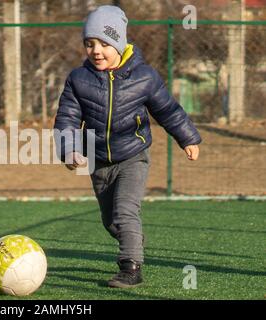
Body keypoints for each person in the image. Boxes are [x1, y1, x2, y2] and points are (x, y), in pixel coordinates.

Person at [54, 5, 201, 288]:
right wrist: (70, 150)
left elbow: (168, 110)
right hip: (98, 161)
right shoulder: (78, 79)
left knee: (125, 210)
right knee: (112, 221)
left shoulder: (144, 76)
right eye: (89, 43)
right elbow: (67, 119)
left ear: (119, 43)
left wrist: (188, 138)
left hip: (133, 155)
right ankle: (132, 240)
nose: (96, 50)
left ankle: (130, 268)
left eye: (104, 43)